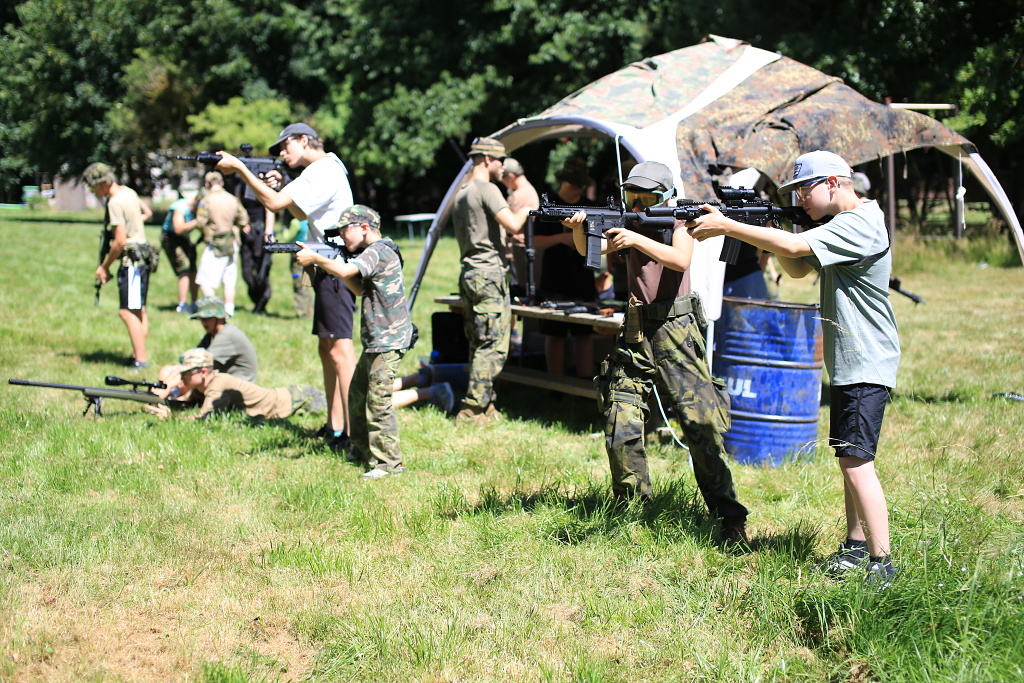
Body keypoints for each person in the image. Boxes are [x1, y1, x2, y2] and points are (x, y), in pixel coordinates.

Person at [687, 150, 900, 585]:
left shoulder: (858, 222)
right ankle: (856, 546)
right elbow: (798, 268)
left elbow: (797, 248)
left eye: (805, 189)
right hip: (851, 362)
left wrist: (729, 226)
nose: (799, 198)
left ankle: (883, 564)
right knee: (849, 458)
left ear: (834, 183)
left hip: (865, 361)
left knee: (857, 463)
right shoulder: (842, 224)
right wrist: (769, 229)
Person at [561, 161, 749, 545]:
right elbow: (589, 250)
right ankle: (632, 509)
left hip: (677, 330)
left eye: (646, 197)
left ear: (666, 196)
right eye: (633, 195)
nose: (638, 203)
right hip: (636, 330)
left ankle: (729, 517)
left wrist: (635, 239)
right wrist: (581, 229)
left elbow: (680, 259)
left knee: (700, 427)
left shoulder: (680, 219)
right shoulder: (630, 221)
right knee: (620, 416)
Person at [215, 123, 356, 453]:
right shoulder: (324, 168)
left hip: (335, 268)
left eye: (285, 145)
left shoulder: (321, 170)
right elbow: (299, 211)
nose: (281, 152)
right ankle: (335, 427)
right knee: (327, 349)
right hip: (326, 266)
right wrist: (284, 186)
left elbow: (276, 205)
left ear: (304, 140)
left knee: (340, 352)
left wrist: (240, 168)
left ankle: (354, 434)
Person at [295, 205, 414, 479]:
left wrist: (318, 258)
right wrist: (331, 266)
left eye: (344, 230)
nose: (341, 236)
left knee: (378, 402)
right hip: (377, 339)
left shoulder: (379, 250)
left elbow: (349, 271)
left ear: (364, 227)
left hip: (388, 339)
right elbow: (359, 288)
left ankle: (389, 464)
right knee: (357, 394)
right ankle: (361, 450)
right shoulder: (375, 252)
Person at [451, 137, 536, 424]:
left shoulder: (462, 191)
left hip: (470, 273)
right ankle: (472, 410)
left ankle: (487, 405)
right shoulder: (487, 188)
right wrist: (527, 208)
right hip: (489, 274)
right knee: (494, 345)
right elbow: (513, 224)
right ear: (487, 159)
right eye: (501, 161)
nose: (503, 167)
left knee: (479, 342)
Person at [85, 162, 155, 369]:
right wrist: (134, 222)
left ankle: (140, 359)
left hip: (131, 262)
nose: (94, 192)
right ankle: (138, 354)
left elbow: (119, 241)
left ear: (103, 182)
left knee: (127, 312)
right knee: (139, 310)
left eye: (94, 188)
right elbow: (147, 212)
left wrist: (104, 266)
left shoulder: (115, 202)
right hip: (143, 258)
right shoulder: (129, 192)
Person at [536, 157, 598, 383]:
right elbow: (533, 241)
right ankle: (556, 383)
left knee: (584, 334)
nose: (577, 189)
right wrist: (562, 238)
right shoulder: (549, 205)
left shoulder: (590, 205)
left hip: (583, 278)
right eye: (574, 184)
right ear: (564, 181)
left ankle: (584, 381)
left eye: (581, 185)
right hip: (555, 278)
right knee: (555, 334)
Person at [146, 348, 325, 421]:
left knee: (330, 411)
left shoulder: (218, 384)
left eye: (186, 373)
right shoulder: (204, 386)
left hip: (298, 398)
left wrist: (170, 418)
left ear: (203, 372)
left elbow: (203, 419)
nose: (182, 377)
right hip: (291, 394)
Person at [153, 296, 259, 402]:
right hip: (223, 382)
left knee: (192, 375)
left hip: (238, 390)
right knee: (167, 370)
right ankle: (172, 396)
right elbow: (189, 359)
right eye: (202, 319)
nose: (204, 322)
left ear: (220, 318)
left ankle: (173, 397)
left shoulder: (227, 335)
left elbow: (195, 365)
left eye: (207, 318)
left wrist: (167, 387)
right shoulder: (212, 335)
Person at [194, 171, 249, 317]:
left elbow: (200, 222)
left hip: (215, 243)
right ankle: (229, 309)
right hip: (232, 241)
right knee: (229, 279)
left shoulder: (206, 200)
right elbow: (243, 218)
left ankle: (214, 310)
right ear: (222, 183)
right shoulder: (232, 199)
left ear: (207, 184)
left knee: (204, 280)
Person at [161, 191, 201, 313]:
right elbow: (178, 229)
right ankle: (182, 305)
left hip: (184, 238)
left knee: (193, 270)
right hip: (171, 238)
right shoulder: (180, 207)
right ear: (197, 199)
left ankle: (194, 303)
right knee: (185, 267)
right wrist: (197, 221)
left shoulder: (200, 210)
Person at [239, 198, 274, 314]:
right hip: (246, 234)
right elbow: (239, 205)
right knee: (247, 274)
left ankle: (262, 303)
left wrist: (268, 232)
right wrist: (241, 223)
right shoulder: (241, 189)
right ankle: (256, 300)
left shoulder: (263, 188)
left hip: (261, 233)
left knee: (262, 273)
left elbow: (270, 208)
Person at [277, 217, 315, 318]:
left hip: (298, 258)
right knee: (307, 284)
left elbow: (287, 237)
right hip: (311, 256)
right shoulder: (311, 220)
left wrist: (284, 229)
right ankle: (310, 311)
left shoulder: (296, 222)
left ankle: (302, 313)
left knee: (299, 285)